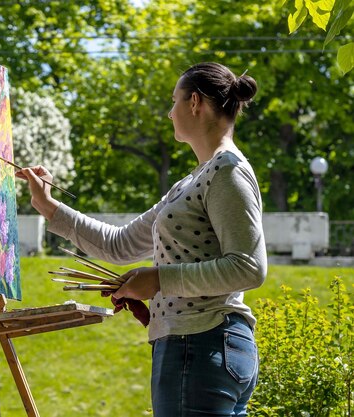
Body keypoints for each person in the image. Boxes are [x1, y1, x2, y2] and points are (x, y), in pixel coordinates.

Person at [16, 62, 267, 416]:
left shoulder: (227, 171)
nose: (169, 113)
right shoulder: (192, 182)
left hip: (201, 343)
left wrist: (160, 280)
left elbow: (249, 267)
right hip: (199, 345)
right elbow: (119, 245)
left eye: (174, 101)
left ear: (194, 103)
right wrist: (48, 206)